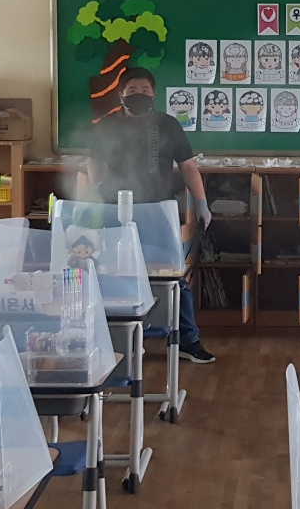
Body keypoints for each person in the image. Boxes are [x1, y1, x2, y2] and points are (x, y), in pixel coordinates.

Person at [85, 66, 216, 364]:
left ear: (154, 94)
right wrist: (95, 191)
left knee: (172, 275)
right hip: (115, 210)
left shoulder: (167, 125)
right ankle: (121, 340)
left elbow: (188, 166)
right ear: (121, 94)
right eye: (132, 91)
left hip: (158, 210)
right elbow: (93, 160)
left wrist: (202, 202)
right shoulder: (107, 125)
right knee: (113, 273)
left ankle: (187, 340)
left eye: (145, 90)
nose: (139, 95)